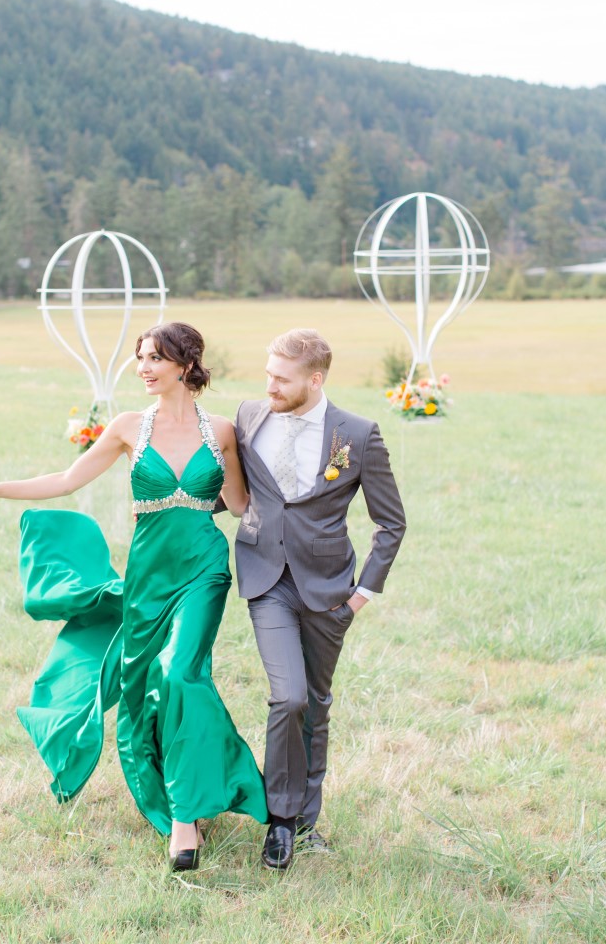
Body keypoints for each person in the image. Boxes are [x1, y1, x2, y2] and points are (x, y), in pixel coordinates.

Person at [0, 321, 268, 871]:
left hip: (204, 572)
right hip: (148, 578)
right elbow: (66, 480)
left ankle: (186, 817)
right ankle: (183, 786)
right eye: (140, 358)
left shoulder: (222, 430)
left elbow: (240, 505)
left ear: (186, 364)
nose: (143, 368)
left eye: (154, 358)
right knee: (146, 689)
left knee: (180, 673)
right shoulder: (127, 428)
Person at [232, 328, 406, 870]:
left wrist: (359, 598)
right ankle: (280, 822)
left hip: (329, 590)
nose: (270, 387)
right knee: (289, 698)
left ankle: (306, 823)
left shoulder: (358, 434)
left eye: (281, 379)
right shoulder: (248, 417)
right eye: (267, 375)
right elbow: (230, 490)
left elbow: (391, 523)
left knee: (316, 705)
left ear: (315, 379)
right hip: (267, 580)